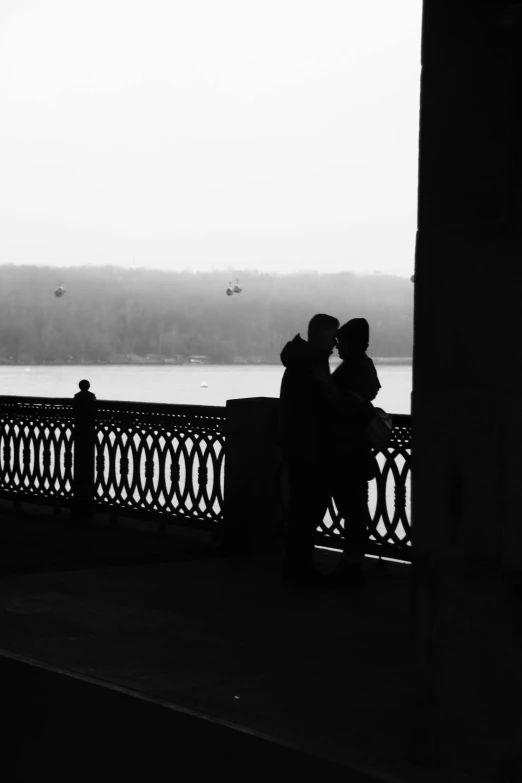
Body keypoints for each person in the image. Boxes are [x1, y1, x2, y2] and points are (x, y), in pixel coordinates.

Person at [278, 313, 339, 587]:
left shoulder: (299, 360)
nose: (336, 342)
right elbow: (320, 404)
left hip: (298, 444)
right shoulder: (312, 363)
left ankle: (296, 566)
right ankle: (301, 568)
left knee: (301, 508)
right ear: (321, 335)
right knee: (309, 508)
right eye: (332, 335)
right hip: (311, 446)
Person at [328, 318, 380, 587]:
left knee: (352, 509)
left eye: (341, 342)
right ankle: (353, 563)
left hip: (346, 450)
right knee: (355, 508)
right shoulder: (364, 367)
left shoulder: (352, 371)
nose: (337, 347)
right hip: (356, 450)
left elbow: (341, 407)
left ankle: (352, 564)